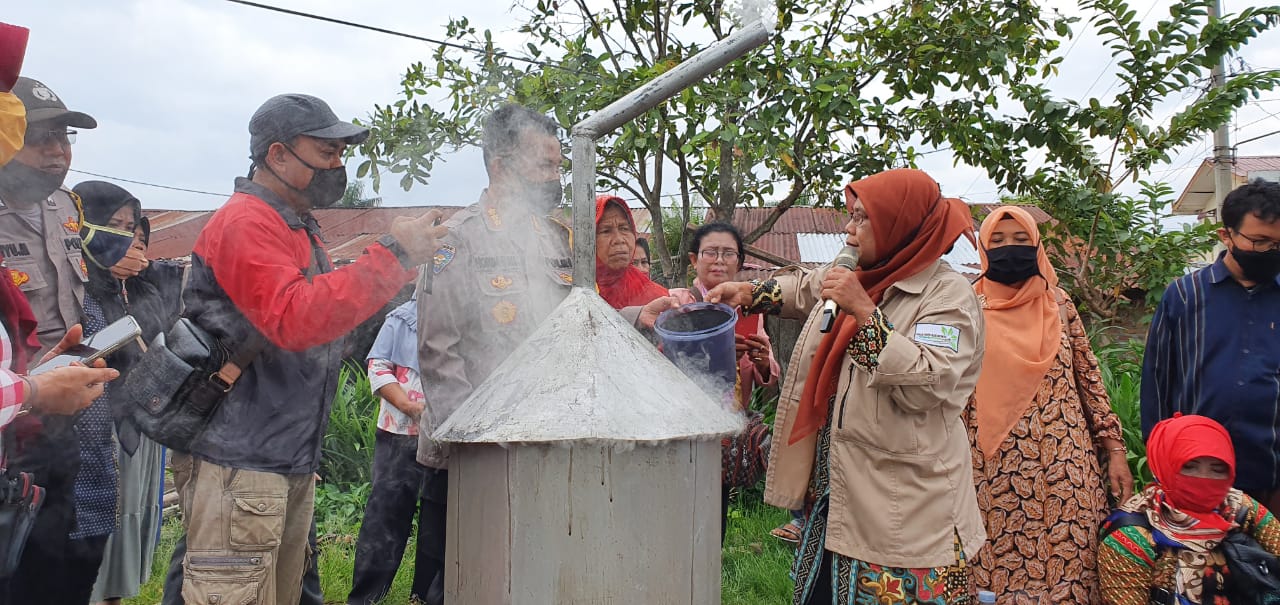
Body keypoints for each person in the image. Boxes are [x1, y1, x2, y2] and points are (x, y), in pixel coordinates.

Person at [173, 93, 446, 605]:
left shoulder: (294, 224)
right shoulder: (247, 223)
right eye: (326, 152)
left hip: (278, 456)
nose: (337, 165)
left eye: (341, 153)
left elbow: (323, 324)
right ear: (277, 155)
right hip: (241, 459)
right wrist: (394, 254)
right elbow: (295, 318)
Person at [416, 105, 674, 603]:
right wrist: (474, 446)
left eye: (558, 166)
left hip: (541, 446)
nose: (555, 178)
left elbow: (574, 325)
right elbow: (438, 353)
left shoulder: (557, 240)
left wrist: (635, 316)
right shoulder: (458, 240)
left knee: (532, 580)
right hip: (471, 457)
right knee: (460, 584)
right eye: (543, 165)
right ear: (499, 164)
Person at [707, 168, 986, 605]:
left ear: (899, 225)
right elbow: (807, 286)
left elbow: (928, 385)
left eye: (861, 218)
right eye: (850, 216)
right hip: (837, 498)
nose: (848, 229)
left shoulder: (946, 297)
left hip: (903, 517)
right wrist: (747, 292)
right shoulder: (866, 272)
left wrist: (864, 312)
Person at [965, 206, 1133, 604]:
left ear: (1037, 245)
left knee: (1070, 576)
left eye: (1021, 240)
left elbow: (1090, 381)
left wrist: (1115, 451)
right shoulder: (965, 309)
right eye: (998, 241)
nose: (1010, 249)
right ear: (983, 249)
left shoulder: (1058, 304)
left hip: (1067, 476)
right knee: (994, 582)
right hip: (990, 478)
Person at [69, 181, 183, 605]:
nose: (125, 242)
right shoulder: (76, 287)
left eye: (132, 230)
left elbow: (165, 335)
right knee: (92, 530)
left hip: (140, 426)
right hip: (92, 429)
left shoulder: (141, 288)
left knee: (128, 522)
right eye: (112, 226)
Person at [1141, 179, 1280, 512]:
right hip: (1196, 480)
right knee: (1202, 564)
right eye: (1260, 241)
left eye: (1278, 244)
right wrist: (1163, 464)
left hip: (1271, 476)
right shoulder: (1185, 296)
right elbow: (1158, 383)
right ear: (1226, 235)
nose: (1271, 252)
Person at [1098, 414, 1280, 605]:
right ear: (1165, 466)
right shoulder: (1131, 537)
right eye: (1189, 467)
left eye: (1217, 469)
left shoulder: (1238, 507)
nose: (1204, 478)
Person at [347, 299, 433, 605]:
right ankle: (366, 597)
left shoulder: (469, 316)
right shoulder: (402, 318)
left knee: (438, 524)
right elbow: (378, 366)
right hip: (400, 433)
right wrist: (410, 407)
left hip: (448, 440)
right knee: (385, 517)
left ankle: (425, 597)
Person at [595, 195, 667, 309]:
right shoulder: (570, 290)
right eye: (606, 231)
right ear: (588, 240)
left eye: (624, 228)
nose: (619, 240)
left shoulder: (657, 298)